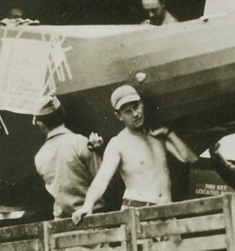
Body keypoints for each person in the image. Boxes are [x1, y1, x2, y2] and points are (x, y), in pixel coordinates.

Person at [72, 84, 197, 221]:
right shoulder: (118, 142)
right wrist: (87, 205)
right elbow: (102, 179)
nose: (135, 114)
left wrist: (169, 133)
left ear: (142, 104)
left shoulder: (157, 136)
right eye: (128, 112)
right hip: (138, 213)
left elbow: (190, 158)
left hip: (166, 212)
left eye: (136, 107)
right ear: (119, 116)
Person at [31, 96, 102, 219]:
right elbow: (103, 179)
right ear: (63, 113)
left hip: (62, 223)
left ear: (41, 124)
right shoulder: (80, 143)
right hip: (93, 217)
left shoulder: (39, 157)